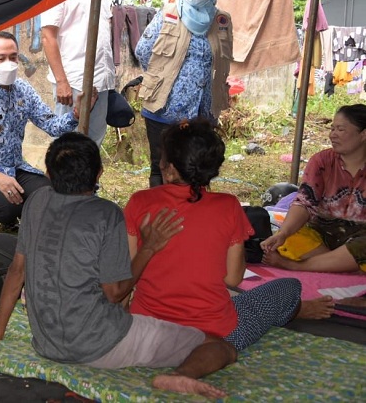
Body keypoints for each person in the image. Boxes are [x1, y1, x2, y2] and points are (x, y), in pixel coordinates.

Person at [0, 132, 237, 398]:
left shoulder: (37, 201)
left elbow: (16, 272)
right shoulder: (107, 214)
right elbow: (114, 294)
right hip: (101, 346)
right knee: (218, 345)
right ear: (100, 173)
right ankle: (181, 375)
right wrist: (149, 247)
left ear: (48, 174)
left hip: (46, 343)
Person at [123, 119, 334, 354]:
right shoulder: (229, 206)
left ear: (171, 169)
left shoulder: (139, 202)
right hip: (216, 335)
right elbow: (233, 279)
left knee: (238, 301)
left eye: (162, 159)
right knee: (288, 287)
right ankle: (293, 311)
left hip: (147, 332)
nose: (159, 164)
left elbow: (128, 270)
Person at [0, 31, 89, 233]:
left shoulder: (23, 91)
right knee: (8, 207)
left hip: (14, 167)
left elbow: (51, 125)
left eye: (13, 57)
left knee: (48, 195)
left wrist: (76, 114)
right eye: (1, 58)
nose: (9, 63)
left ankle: (19, 211)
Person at [135, 0, 233, 187]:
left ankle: (193, 217)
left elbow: (222, 62)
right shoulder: (169, 13)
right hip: (164, 107)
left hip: (202, 112)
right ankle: (160, 216)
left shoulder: (222, 21)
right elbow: (142, 51)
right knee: (161, 167)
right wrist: (162, 78)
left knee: (198, 167)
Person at [262, 104, 366, 281]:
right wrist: (283, 233)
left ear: (363, 134)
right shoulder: (322, 161)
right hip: (323, 233)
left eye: (340, 129)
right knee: (289, 236)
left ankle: (296, 266)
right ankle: (344, 266)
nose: (332, 134)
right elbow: (304, 202)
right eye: (332, 128)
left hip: (361, 238)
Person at [41, 0, 116, 146]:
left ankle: (89, 171)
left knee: (93, 144)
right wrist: (61, 82)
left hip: (101, 81)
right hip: (73, 81)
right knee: (66, 144)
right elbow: (48, 36)